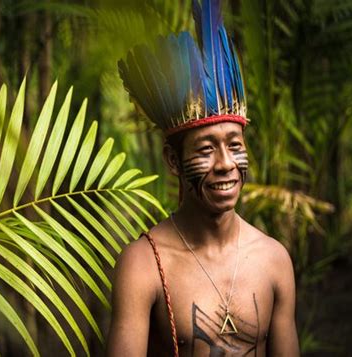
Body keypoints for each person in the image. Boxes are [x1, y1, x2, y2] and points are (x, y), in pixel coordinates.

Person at [107, 0, 299, 355]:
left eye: (234, 145)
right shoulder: (143, 264)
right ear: (173, 160)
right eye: (206, 149)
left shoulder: (274, 260)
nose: (226, 163)